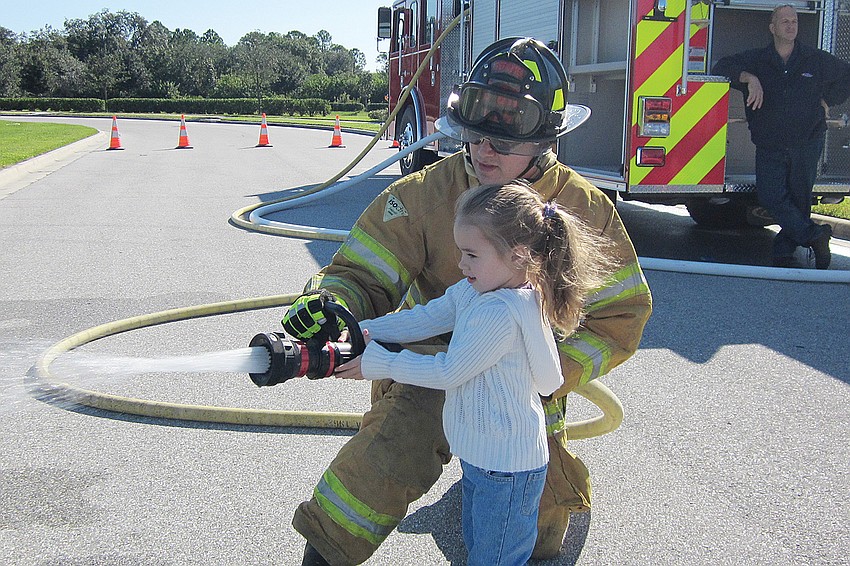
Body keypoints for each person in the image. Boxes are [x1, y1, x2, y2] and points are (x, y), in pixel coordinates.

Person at [282, 37, 653, 565]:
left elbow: (621, 315)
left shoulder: (580, 207)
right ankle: (325, 553)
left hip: (522, 380)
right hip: (430, 359)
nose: (484, 151)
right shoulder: (422, 196)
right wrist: (333, 307)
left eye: (502, 143)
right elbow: (361, 273)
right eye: (476, 136)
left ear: (546, 139)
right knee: (384, 461)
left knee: (540, 533)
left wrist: (550, 373)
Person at [333, 181, 617, 565]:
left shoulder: (499, 313)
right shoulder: (485, 290)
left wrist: (378, 363)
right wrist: (369, 329)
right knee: (482, 550)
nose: (462, 264)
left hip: (508, 470)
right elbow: (430, 317)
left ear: (518, 256)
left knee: (494, 559)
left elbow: (449, 371)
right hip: (486, 458)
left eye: (471, 254)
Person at [712, 3, 850, 269]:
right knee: (771, 196)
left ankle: (783, 252)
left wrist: (828, 99)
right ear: (772, 27)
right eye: (784, 21)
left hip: (807, 141)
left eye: (794, 21)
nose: (790, 25)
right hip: (770, 143)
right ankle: (815, 236)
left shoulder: (814, 59)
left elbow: (846, 76)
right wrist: (749, 77)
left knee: (798, 198)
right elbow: (721, 67)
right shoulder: (757, 60)